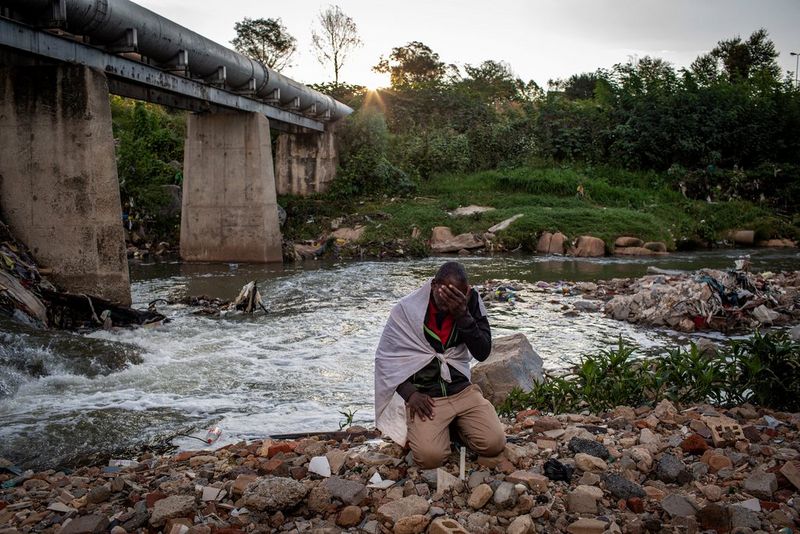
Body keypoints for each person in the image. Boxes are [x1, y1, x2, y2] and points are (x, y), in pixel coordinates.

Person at [374, 261, 506, 468]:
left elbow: (482, 352)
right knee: (430, 458)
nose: (449, 302)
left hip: (462, 390)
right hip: (427, 398)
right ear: (434, 285)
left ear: (466, 291)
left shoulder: (470, 302)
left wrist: (462, 315)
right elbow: (386, 359)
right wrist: (410, 394)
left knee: (494, 444)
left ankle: (458, 427)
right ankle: (444, 429)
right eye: (444, 294)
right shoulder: (407, 310)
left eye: (456, 295)